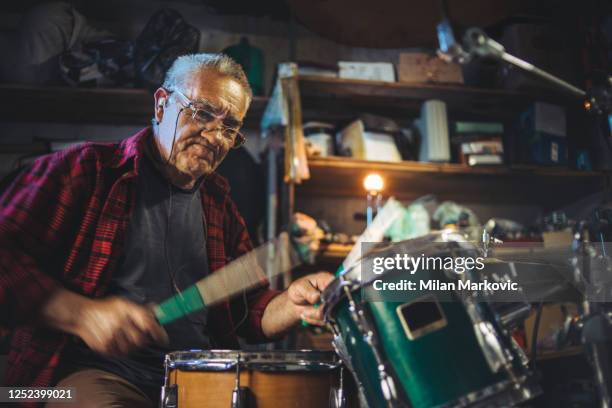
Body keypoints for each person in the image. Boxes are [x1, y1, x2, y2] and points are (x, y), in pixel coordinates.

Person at [0, 53, 332, 407]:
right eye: (203, 113)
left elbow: (249, 311)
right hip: (89, 372)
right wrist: (80, 314)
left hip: (197, 380)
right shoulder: (87, 170)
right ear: (161, 105)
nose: (215, 136)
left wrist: (292, 303)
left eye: (230, 127)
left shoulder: (219, 205)